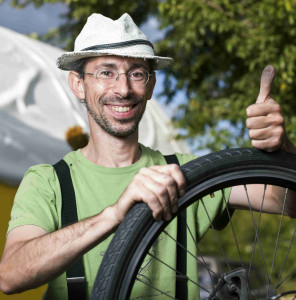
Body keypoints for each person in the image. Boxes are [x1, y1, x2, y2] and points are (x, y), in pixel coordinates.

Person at [0, 13, 295, 300]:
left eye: (137, 73)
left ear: (151, 85)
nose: (124, 88)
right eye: (106, 72)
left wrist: (282, 149)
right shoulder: (48, 182)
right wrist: (115, 215)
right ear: (78, 84)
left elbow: (285, 201)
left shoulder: (186, 171)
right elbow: (10, 276)